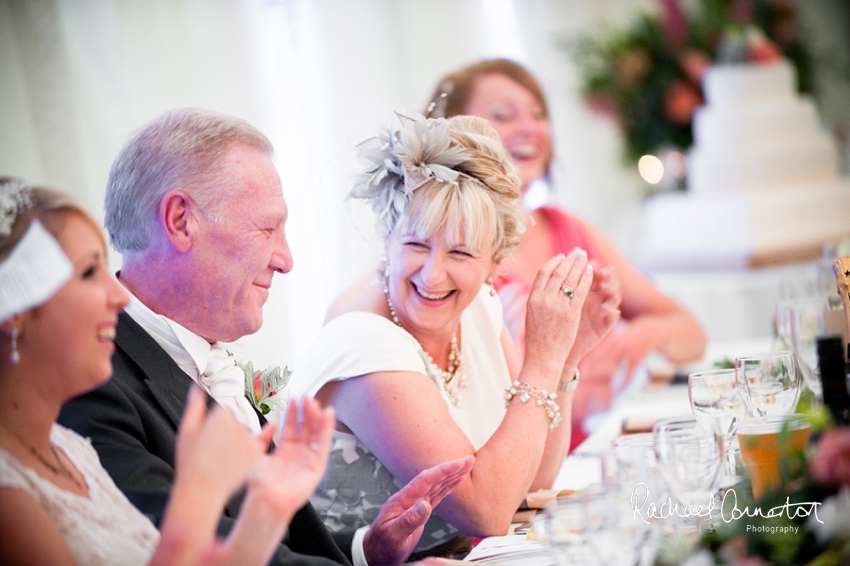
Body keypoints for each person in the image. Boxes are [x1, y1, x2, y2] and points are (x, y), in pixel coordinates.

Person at [56, 108, 474, 566]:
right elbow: (193, 550)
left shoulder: (201, 355)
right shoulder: (89, 385)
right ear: (180, 221)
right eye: (267, 227)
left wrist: (365, 550)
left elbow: (267, 538)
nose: (286, 258)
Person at [289, 114, 621, 556]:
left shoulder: (477, 309)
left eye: (461, 252)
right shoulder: (363, 341)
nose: (433, 274)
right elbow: (488, 510)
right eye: (416, 245)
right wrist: (541, 360)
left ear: (495, 263)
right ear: (388, 241)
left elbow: (533, 482)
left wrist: (565, 358)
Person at [0, 178, 336, 566]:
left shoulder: (72, 452)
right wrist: (201, 491)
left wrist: (269, 506)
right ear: (15, 311)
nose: (119, 295)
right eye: (90, 272)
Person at [425, 58, 707, 447]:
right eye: (503, 115)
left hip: (610, 451)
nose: (531, 129)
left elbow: (691, 332)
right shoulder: (446, 263)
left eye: (539, 114)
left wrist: (643, 335)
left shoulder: (570, 232)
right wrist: (572, 394)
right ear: (456, 136)